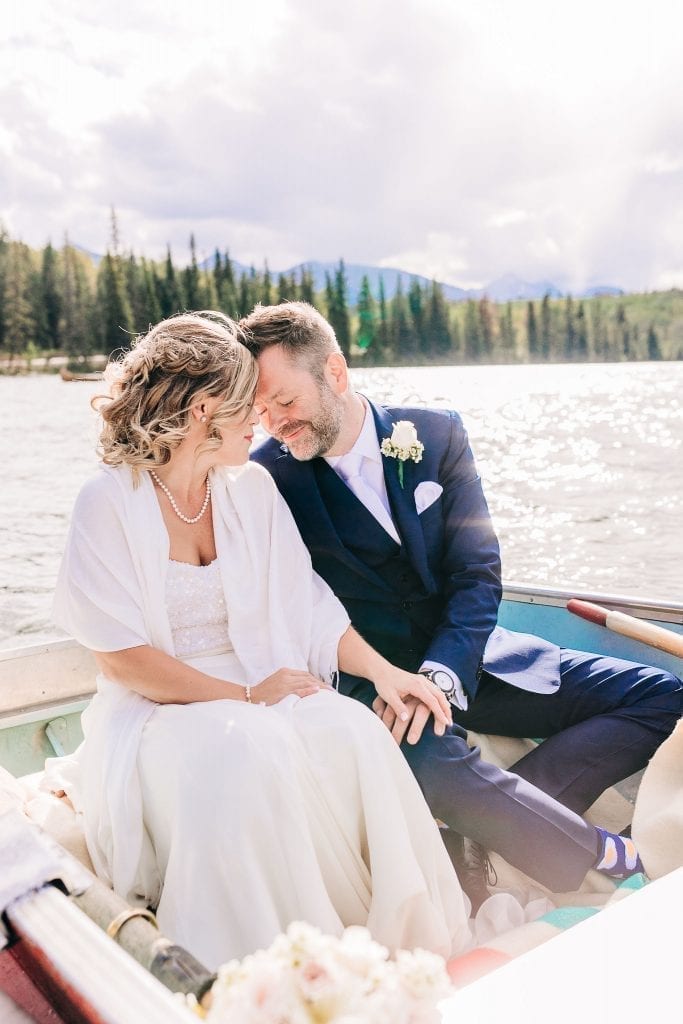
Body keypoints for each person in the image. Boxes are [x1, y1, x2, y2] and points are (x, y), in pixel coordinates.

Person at [49, 311, 477, 972]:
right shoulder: (106, 502)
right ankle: (264, 968)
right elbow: (120, 657)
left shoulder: (249, 491)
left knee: (354, 732)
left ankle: (392, 945)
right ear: (202, 410)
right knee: (245, 749)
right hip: (158, 706)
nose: (262, 419)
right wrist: (244, 695)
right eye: (247, 403)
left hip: (261, 677)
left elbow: (308, 608)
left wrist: (387, 673)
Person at [243, 300, 683, 899]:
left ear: (336, 373)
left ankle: (488, 830)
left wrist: (445, 676)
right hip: (377, 690)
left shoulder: (436, 432)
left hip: (474, 659)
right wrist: (393, 684)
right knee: (423, 761)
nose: (274, 423)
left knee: (668, 696)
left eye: (286, 402)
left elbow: (477, 573)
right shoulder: (265, 478)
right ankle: (600, 852)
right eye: (261, 409)